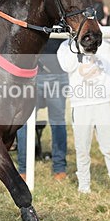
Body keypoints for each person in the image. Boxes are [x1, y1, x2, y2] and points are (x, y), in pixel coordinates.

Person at [58, 32, 110, 195]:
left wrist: (102, 32)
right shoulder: (65, 46)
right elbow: (67, 66)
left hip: (102, 103)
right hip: (80, 104)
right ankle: (84, 186)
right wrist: (77, 42)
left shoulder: (103, 44)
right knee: (82, 148)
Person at [15, 38, 69, 181]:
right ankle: (23, 168)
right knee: (24, 123)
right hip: (29, 73)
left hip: (57, 73)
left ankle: (59, 167)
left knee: (57, 121)